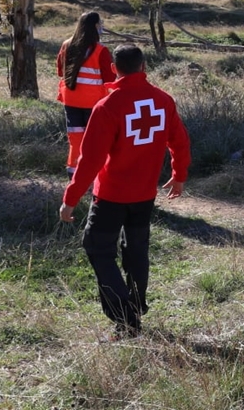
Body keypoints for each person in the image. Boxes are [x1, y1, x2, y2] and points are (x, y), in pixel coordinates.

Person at [59, 44, 191, 340]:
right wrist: (179, 175)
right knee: (136, 250)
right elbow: (180, 142)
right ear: (144, 66)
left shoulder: (107, 107)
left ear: (115, 69)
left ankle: (126, 319)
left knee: (97, 248)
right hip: (145, 194)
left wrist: (70, 199)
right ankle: (136, 305)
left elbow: (89, 160)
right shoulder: (163, 100)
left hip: (111, 197)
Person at [57, 12, 116, 179]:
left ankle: (74, 175)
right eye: (100, 24)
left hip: (71, 100)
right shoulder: (101, 50)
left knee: (76, 139)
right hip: (94, 103)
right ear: (96, 27)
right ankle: (95, 176)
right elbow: (110, 78)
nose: (102, 26)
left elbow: (60, 71)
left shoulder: (66, 45)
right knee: (94, 141)